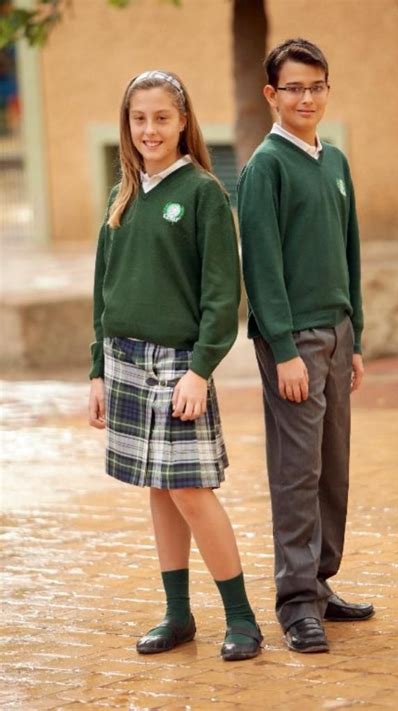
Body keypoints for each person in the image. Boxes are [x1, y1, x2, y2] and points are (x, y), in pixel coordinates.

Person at [88, 70, 262, 662]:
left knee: (190, 489)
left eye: (162, 117)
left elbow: (223, 296)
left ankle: (242, 619)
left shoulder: (204, 193)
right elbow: (101, 292)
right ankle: (177, 614)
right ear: (127, 124)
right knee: (158, 491)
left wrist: (201, 370)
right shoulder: (123, 194)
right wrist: (97, 372)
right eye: (140, 118)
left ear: (183, 121)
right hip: (124, 361)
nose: (150, 129)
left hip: (180, 365)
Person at [238, 39, 374, 654]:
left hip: (336, 334)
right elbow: (261, 267)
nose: (306, 97)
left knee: (333, 470)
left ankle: (319, 583)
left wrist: (356, 339)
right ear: (272, 94)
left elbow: (350, 254)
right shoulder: (265, 166)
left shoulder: (336, 162)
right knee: (297, 473)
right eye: (293, 87)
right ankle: (296, 605)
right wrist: (284, 348)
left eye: (316, 85)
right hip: (291, 341)